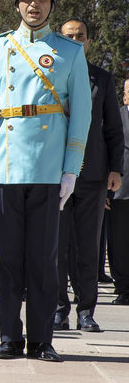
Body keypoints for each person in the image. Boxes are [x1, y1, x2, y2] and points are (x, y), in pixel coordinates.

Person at [0, 0, 91, 362]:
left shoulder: (69, 53)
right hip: (5, 166)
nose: (33, 6)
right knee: (8, 260)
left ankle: (41, 339)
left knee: (43, 259)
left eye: (41, 0)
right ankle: (9, 336)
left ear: (51, 6)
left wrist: (71, 168)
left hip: (47, 166)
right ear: (17, 6)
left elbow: (82, 117)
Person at [54, 19, 123, 332]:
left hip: (93, 175)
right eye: (69, 36)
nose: (76, 40)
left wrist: (116, 168)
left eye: (80, 36)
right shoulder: (50, 74)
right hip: (54, 173)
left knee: (87, 246)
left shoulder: (102, 79)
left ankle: (86, 311)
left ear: (88, 41)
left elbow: (113, 127)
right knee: (56, 245)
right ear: (60, 40)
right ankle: (58, 309)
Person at [108, 79, 129, 306]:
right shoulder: (117, 117)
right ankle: (123, 287)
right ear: (124, 96)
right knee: (120, 243)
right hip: (121, 189)